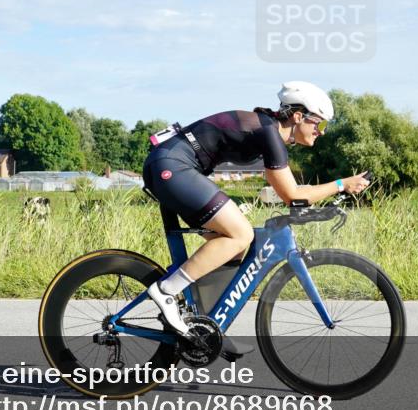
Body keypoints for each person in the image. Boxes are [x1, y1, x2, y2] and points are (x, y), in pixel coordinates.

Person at [142, 81, 371, 345]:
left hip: (172, 166)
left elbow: (293, 191)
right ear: (298, 116)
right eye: (320, 124)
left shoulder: (268, 131)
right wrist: (341, 184)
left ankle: (204, 326)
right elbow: (293, 196)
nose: (322, 132)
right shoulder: (268, 133)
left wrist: (328, 197)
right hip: (173, 166)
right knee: (241, 234)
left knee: (234, 249)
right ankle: (166, 291)